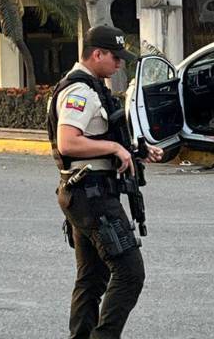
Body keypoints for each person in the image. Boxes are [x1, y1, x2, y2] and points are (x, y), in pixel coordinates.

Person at [48, 25, 163, 339]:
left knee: (92, 278)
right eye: (115, 57)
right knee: (129, 273)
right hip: (91, 195)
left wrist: (134, 151)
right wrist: (113, 148)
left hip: (86, 192)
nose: (119, 63)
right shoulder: (79, 91)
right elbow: (68, 142)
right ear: (96, 54)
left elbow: (97, 137)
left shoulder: (93, 87)